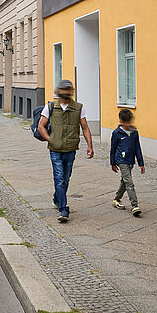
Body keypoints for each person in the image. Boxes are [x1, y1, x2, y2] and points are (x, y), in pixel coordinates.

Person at [36, 79, 95, 222]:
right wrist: (51, 140)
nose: (67, 92)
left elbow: (85, 128)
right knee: (59, 178)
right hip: (55, 149)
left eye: (69, 90)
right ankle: (64, 209)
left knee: (66, 178)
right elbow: (40, 126)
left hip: (70, 149)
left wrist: (90, 146)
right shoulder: (50, 107)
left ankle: (57, 198)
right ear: (59, 92)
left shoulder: (79, 108)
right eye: (64, 90)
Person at [110, 109, 145, 216]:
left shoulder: (134, 132)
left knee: (124, 181)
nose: (127, 124)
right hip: (121, 160)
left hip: (130, 160)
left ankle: (116, 199)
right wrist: (112, 163)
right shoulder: (116, 133)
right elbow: (113, 148)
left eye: (129, 122)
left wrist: (141, 163)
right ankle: (135, 205)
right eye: (125, 122)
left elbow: (137, 148)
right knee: (129, 182)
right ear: (121, 121)